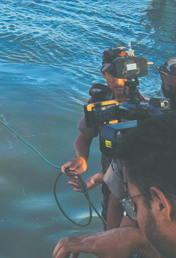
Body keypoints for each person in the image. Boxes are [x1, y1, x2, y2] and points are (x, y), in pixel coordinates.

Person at [54, 57, 176, 258]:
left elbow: (118, 201)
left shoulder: (141, 141)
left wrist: (127, 238)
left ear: (162, 205)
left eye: (137, 205)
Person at [60, 46, 132, 225]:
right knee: (109, 233)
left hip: (136, 190)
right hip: (108, 186)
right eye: (112, 74)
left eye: (123, 74)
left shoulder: (145, 109)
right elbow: (84, 137)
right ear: (103, 74)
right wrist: (81, 159)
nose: (118, 80)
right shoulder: (100, 101)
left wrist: (104, 177)